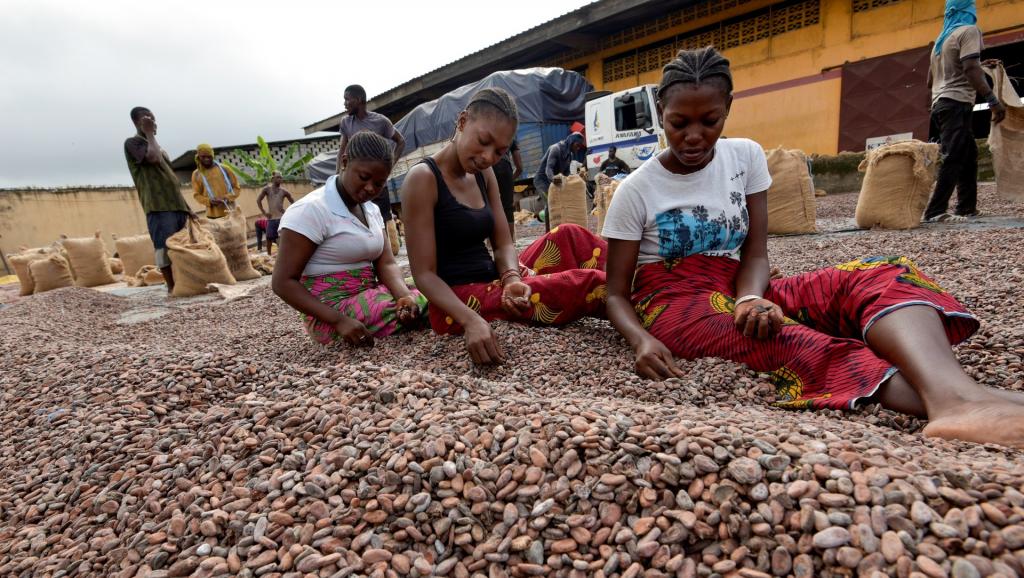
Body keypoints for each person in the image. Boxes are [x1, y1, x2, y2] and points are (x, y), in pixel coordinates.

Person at [602, 47, 1024, 448]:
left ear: (728, 107)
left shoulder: (745, 157)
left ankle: (959, 395)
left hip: (738, 284)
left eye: (709, 121)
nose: (694, 136)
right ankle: (957, 403)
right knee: (788, 338)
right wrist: (642, 340)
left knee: (879, 274)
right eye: (679, 124)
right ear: (661, 112)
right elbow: (617, 293)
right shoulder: (635, 191)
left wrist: (750, 297)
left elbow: (755, 253)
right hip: (675, 303)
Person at [401, 88, 608, 365]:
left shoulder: (484, 174)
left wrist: (511, 278)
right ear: (462, 122)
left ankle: (645, 271)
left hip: (494, 278)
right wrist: (471, 321)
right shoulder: (423, 179)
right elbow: (424, 275)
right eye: (483, 141)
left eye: (499, 151)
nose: (488, 157)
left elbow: (503, 243)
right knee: (586, 284)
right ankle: (650, 299)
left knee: (570, 235)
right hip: (458, 301)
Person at [273, 131, 426, 347]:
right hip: (331, 313)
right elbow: (282, 282)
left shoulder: (371, 210)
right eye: (364, 178)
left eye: (379, 184)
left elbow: (387, 262)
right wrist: (339, 321)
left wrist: (403, 296)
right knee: (431, 303)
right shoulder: (311, 210)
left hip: (370, 293)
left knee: (428, 286)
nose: (370, 188)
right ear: (344, 162)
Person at [923, 0, 1006, 223]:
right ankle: (935, 211)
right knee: (954, 156)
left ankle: (966, 208)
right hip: (956, 103)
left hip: (941, 103)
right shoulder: (969, 31)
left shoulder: (940, 41)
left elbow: (930, 81)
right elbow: (969, 68)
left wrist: (980, 65)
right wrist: (992, 100)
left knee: (968, 155)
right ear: (968, 10)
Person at [123, 107, 194, 293]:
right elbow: (152, 159)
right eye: (149, 120)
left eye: (154, 120)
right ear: (138, 122)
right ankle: (172, 287)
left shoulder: (159, 148)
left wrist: (187, 208)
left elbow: (171, 179)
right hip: (158, 206)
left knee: (181, 248)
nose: (154, 124)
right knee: (164, 247)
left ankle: (184, 283)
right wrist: (148, 133)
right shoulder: (132, 143)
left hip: (176, 205)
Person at [336, 84, 406, 227]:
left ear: (359, 99)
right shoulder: (346, 122)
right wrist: (337, 176)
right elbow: (342, 151)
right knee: (356, 223)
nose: (345, 104)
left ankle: (389, 247)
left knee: (384, 223)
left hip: (377, 186)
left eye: (347, 99)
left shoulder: (381, 122)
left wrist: (389, 168)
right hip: (356, 185)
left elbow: (401, 142)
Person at [533, 132, 586, 227]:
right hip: (542, 181)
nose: (578, 148)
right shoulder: (555, 149)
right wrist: (553, 179)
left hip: (554, 182)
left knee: (563, 202)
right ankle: (549, 232)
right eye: (577, 145)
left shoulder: (569, 155)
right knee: (551, 205)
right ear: (572, 141)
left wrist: (574, 180)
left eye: (579, 147)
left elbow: (566, 174)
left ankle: (563, 228)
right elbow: (549, 169)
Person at [191, 143, 240, 219]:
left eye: (209, 156)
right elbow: (196, 195)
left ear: (212, 156)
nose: (206, 159)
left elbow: (236, 188)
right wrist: (209, 201)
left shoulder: (225, 169)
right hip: (212, 216)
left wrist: (226, 198)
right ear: (198, 157)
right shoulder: (196, 174)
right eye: (203, 157)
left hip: (231, 212)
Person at [257, 171, 295, 255]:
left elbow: (294, 203)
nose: (280, 179)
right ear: (273, 179)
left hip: (282, 218)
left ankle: (284, 255)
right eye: (278, 177)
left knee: (282, 238)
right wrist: (264, 212)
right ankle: (269, 255)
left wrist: (288, 212)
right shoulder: (267, 189)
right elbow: (258, 200)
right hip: (271, 218)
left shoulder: (284, 191)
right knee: (268, 238)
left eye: (281, 177)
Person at [492, 138, 523, 240]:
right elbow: (519, 168)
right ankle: (509, 242)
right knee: (508, 207)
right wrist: (510, 180)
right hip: (505, 168)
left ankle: (491, 242)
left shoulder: (487, 130)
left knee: (489, 205)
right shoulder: (511, 137)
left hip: (488, 167)